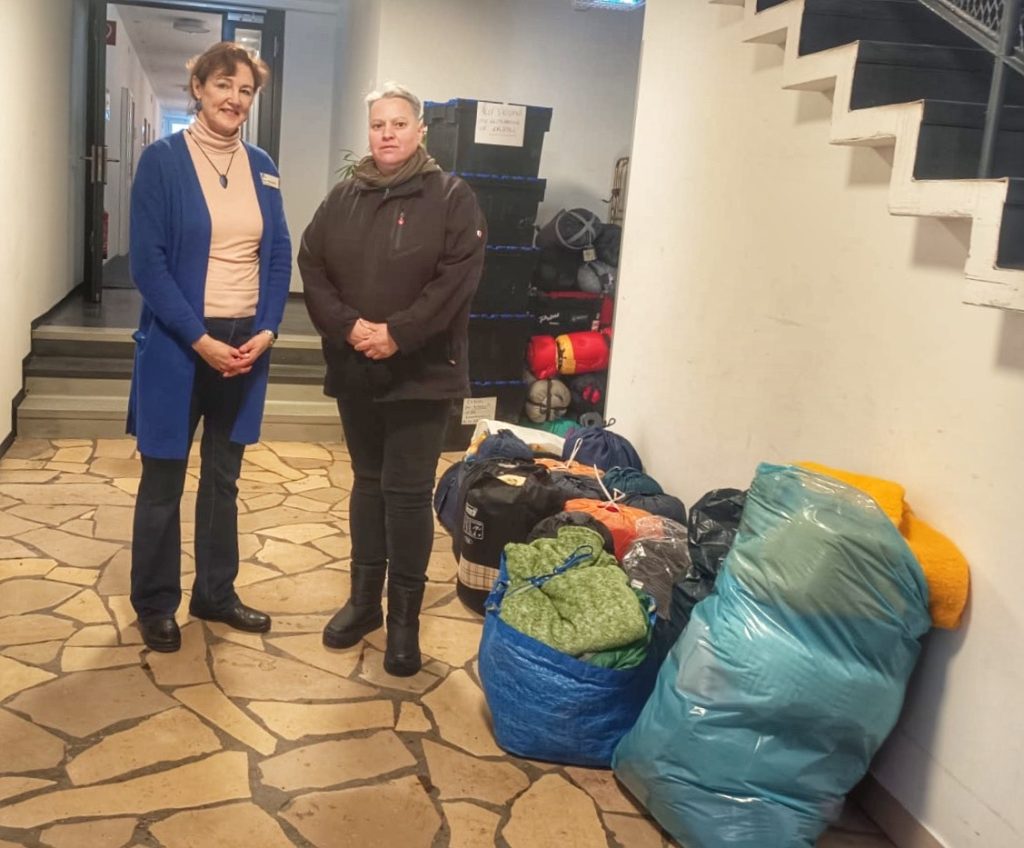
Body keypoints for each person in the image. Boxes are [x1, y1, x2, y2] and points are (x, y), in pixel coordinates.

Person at [299, 82, 486, 676]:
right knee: (367, 484)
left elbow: (455, 281)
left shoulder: (452, 197)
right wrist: (350, 327)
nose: (387, 134)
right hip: (357, 370)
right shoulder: (343, 198)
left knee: (406, 496)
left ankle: (404, 621)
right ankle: (363, 605)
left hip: (422, 375)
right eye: (378, 124)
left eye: (398, 124)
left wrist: (397, 334)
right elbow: (312, 264)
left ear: (420, 130)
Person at [128, 42, 292, 653]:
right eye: (224, 85)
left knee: (224, 477)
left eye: (246, 90)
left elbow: (278, 252)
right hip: (180, 344)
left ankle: (215, 593)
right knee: (164, 478)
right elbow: (148, 265)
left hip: (246, 345)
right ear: (197, 87)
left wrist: (267, 330)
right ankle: (155, 603)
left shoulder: (262, 165)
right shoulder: (162, 161)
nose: (235, 99)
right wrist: (199, 339)